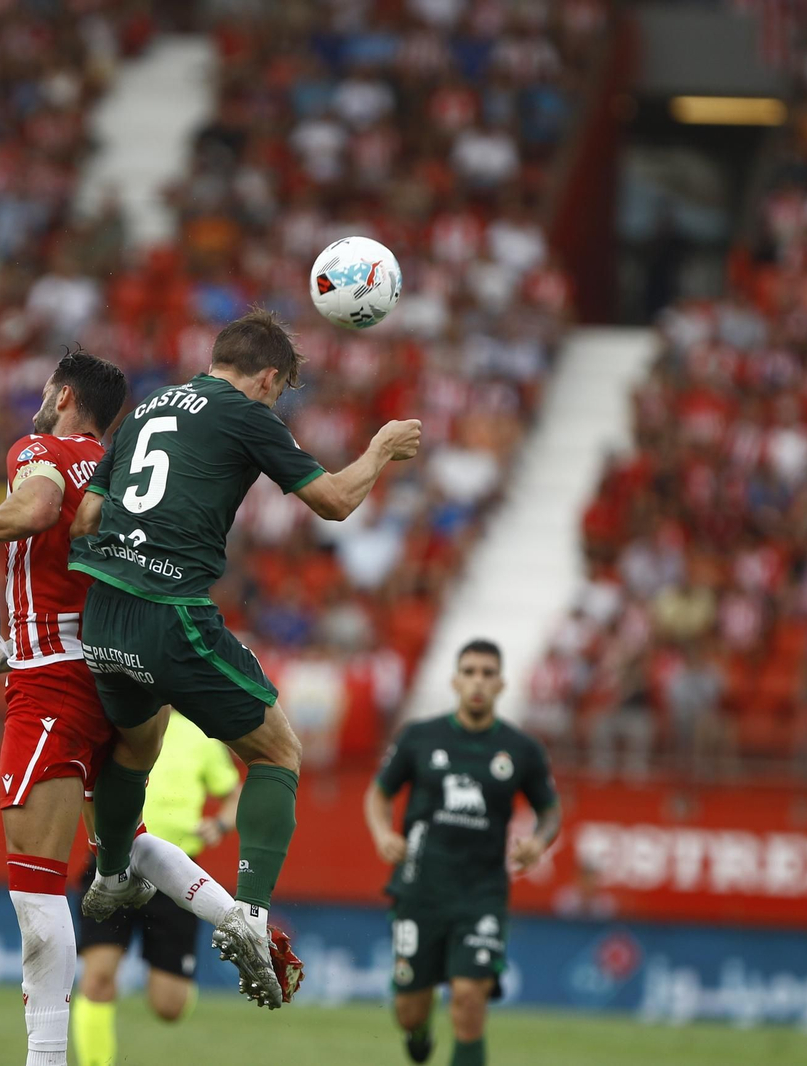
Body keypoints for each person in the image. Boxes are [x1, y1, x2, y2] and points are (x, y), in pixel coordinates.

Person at [0, 347, 291, 1066]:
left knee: (36, 888)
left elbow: (38, 507)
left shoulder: (40, 449)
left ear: (60, 394)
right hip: (112, 668)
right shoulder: (115, 468)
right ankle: (241, 919)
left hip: (54, 686)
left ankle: (45, 1061)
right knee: (123, 838)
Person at [68, 308, 422, 1007]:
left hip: (102, 612)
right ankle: (252, 917)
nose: (277, 401)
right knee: (275, 750)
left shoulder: (147, 409)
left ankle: (111, 872)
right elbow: (334, 503)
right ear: (267, 376)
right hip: (169, 611)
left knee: (136, 749)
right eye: (281, 389)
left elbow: (85, 515)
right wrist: (381, 449)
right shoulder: (245, 411)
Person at [363, 639, 562, 1066]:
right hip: (420, 890)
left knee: (470, 999)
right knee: (409, 1011)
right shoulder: (419, 737)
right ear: (455, 680)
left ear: (502, 684)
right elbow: (379, 795)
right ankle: (418, 1034)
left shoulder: (521, 750)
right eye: (470, 671)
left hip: (481, 895)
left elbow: (549, 811)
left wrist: (539, 842)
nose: (478, 681)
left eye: (488, 673)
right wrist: (383, 833)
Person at [72, 710, 242, 1066]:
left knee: (169, 1006)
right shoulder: (119, 718)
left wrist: (222, 824)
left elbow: (234, 792)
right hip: (114, 862)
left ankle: (177, 978)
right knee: (99, 976)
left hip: (175, 877)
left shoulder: (202, 735)